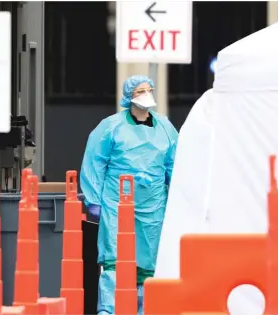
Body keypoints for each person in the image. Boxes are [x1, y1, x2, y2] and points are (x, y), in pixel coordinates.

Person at [79, 75, 178, 315]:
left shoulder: (165, 127)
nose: (146, 94)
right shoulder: (111, 127)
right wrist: (94, 200)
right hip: (116, 201)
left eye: (149, 90)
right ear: (129, 97)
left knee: (148, 260)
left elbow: (174, 165)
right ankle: (110, 310)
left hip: (152, 204)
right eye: (140, 91)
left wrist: (178, 196)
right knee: (114, 258)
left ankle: (146, 308)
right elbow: (94, 162)